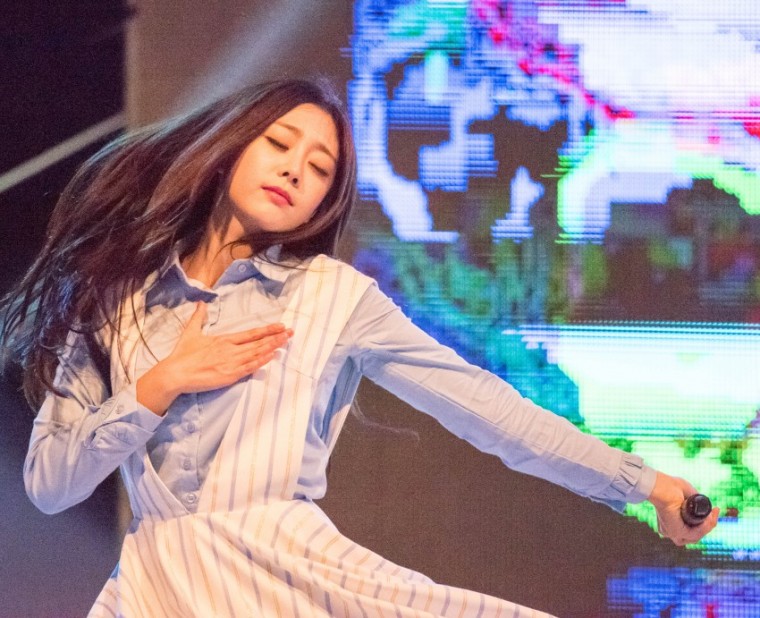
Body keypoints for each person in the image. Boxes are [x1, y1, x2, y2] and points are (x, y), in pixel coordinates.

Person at [1, 78, 718, 617]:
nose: (295, 170)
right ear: (230, 148)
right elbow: (51, 483)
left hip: (290, 578)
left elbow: (487, 410)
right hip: (158, 589)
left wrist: (646, 484)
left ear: (324, 201)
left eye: (319, 168)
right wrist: (159, 385)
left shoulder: (331, 297)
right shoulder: (119, 302)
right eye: (280, 144)